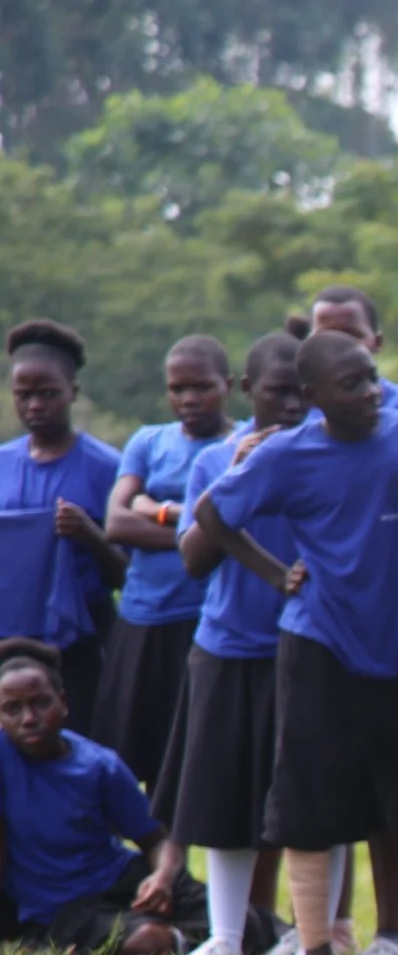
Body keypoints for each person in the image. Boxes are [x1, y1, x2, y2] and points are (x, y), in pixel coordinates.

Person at [193, 329, 398, 955]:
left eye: (372, 376)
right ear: (313, 397)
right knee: (310, 800)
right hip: (319, 643)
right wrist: (275, 572)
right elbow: (210, 514)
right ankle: (315, 951)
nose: (370, 392)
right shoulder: (287, 454)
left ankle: (392, 940)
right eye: (352, 384)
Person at [157, 328, 309, 955]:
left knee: (304, 794)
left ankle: (310, 933)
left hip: (304, 645)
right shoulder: (216, 459)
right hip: (225, 644)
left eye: (305, 395)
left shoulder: (327, 453)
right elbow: (193, 557)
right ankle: (226, 935)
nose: (294, 408)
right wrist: (241, 475)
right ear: (250, 392)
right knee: (220, 794)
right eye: (279, 394)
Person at [0, 639, 206, 955]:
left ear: (64, 702)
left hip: (117, 878)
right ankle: (183, 943)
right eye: (13, 709)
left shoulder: (99, 765)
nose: (29, 718)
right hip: (61, 906)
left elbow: (157, 840)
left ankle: (271, 940)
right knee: (149, 940)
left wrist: (161, 879)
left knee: (229, 916)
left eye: (41, 703)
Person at [93, 336, 234, 789]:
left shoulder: (242, 445)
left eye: (202, 386)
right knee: (137, 759)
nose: (188, 399)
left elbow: (236, 532)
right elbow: (116, 523)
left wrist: (156, 508)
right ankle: (156, 856)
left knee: (201, 761)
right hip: (142, 618)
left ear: (228, 385)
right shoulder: (148, 442)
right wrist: (199, 530)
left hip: (205, 621)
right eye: (177, 388)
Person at [0, 321, 123, 731]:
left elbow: (126, 571)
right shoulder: (3, 464)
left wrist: (88, 533)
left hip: (80, 636)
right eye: (24, 395)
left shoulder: (106, 467)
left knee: (78, 737)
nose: (35, 405)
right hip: (9, 632)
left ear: (73, 392)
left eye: (48, 393)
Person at [306, 286, 398, 423]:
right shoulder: (294, 413)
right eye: (326, 336)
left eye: (352, 336)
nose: (339, 346)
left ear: (377, 342)